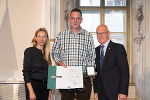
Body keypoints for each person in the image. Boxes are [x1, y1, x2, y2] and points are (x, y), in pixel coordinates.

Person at [51, 8, 96, 100]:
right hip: (66, 76)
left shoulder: (88, 36)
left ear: (81, 20)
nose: (75, 21)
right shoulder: (61, 36)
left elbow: (91, 56)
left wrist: (91, 72)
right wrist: (60, 63)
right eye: (73, 18)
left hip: (83, 76)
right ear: (69, 19)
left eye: (78, 18)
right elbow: (54, 52)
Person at [93, 24, 129, 100]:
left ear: (108, 33)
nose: (100, 36)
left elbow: (124, 71)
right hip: (101, 92)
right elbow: (97, 72)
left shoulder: (118, 48)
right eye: (98, 33)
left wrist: (123, 91)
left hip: (115, 92)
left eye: (103, 33)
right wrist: (96, 91)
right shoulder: (96, 50)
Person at [22, 28, 52, 100]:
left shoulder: (47, 53)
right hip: (33, 87)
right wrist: (31, 92)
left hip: (46, 88)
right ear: (35, 37)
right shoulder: (29, 51)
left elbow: (50, 73)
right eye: (39, 36)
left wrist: (50, 92)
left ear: (47, 38)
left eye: (44, 36)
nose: (41, 39)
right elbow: (26, 72)